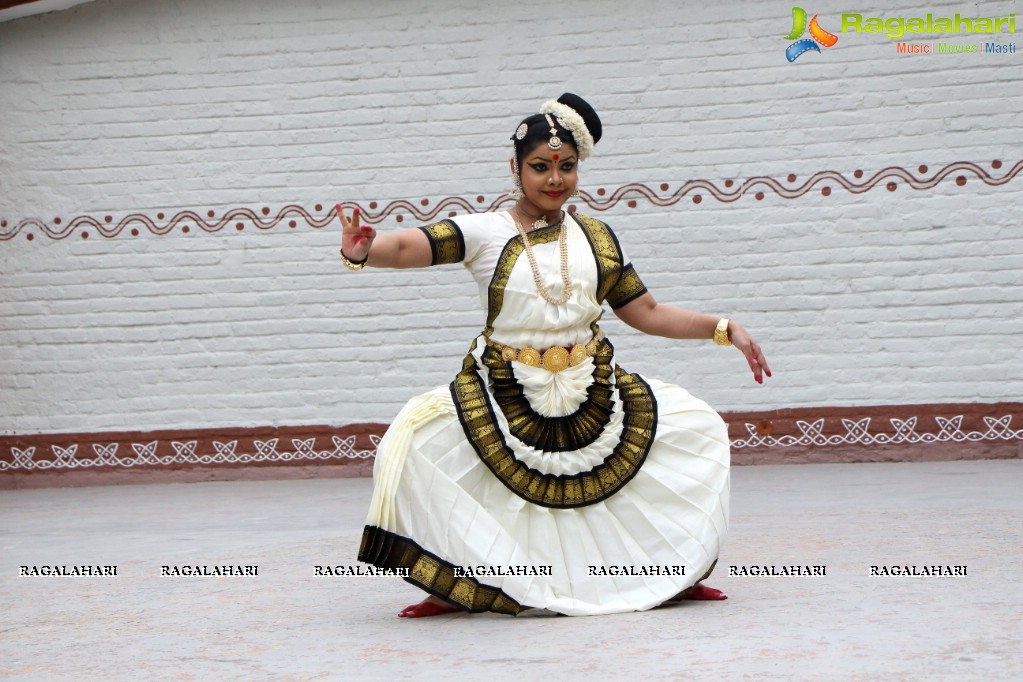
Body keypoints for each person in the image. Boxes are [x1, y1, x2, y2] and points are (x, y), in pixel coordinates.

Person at [338, 93, 771, 618]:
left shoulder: (597, 237)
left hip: (591, 384)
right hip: (505, 386)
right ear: (516, 168)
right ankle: (459, 583)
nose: (554, 179)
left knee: (696, 427)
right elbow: (409, 247)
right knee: (416, 442)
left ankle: (673, 574)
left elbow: (647, 311)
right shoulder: (485, 232)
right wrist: (365, 248)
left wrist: (723, 329)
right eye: (540, 167)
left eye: (566, 167)